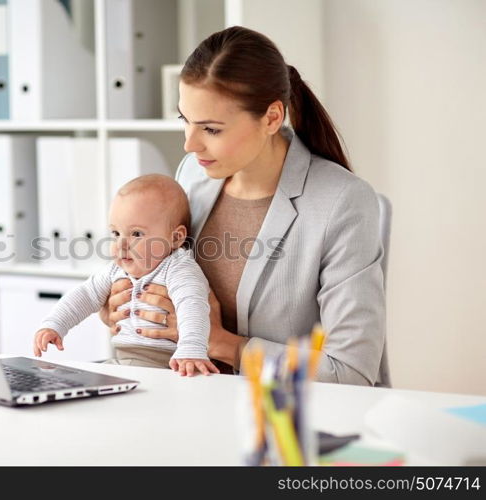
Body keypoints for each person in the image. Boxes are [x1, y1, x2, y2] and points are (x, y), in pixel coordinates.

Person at [99, 26, 387, 386]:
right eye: (185, 121)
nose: (190, 145)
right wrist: (127, 308)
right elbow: (166, 276)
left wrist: (225, 345)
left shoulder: (342, 202)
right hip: (188, 399)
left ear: (271, 117)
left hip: (280, 417)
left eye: (211, 130)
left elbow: (352, 372)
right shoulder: (193, 174)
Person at [34, 174, 220, 376]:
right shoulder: (117, 269)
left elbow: (192, 305)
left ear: (176, 238)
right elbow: (85, 295)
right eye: (115, 233)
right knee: (72, 379)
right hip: (123, 359)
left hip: (164, 365)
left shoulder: (178, 268)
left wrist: (192, 349)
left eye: (136, 234)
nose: (121, 245)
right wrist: (54, 325)